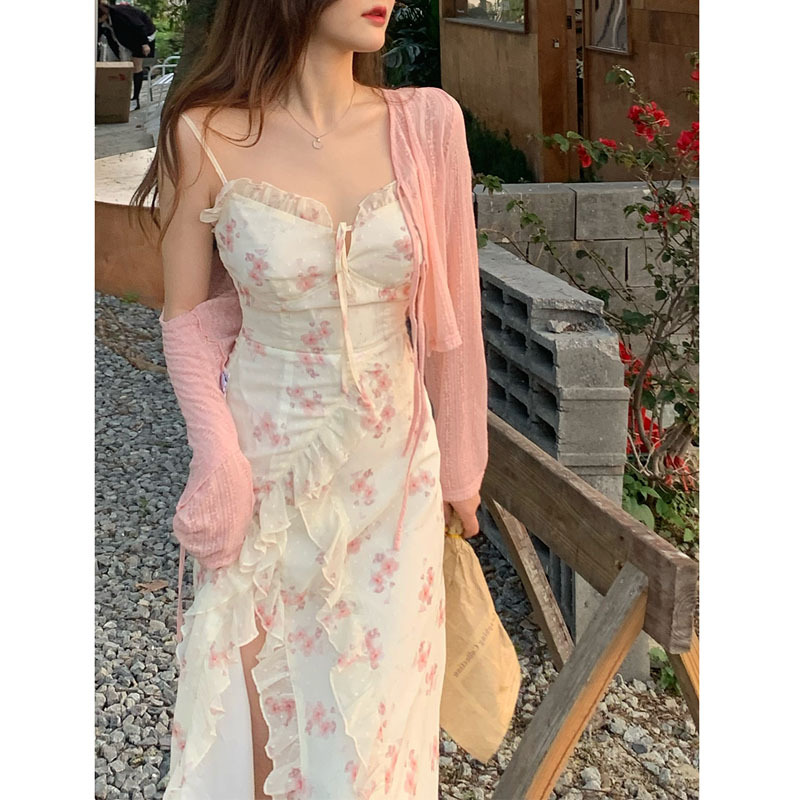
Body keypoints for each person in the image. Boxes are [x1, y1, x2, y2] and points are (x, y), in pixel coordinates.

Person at [131, 1, 488, 797]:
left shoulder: (428, 123)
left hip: (395, 482)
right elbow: (188, 320)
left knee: (378, 728)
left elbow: (456, 316)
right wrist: (216, 457)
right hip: (267, 480)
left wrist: (463, 468)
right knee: (267, 719)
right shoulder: (204, 132)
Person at [97, 1, 156, 110]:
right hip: (125, 37)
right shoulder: (104, 21)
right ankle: (121, 95)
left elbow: (139, 26)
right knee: (122, 64)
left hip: (143, 35)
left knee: (136, 66)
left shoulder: (121, 14)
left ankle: (135, 100)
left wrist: (144, 44)